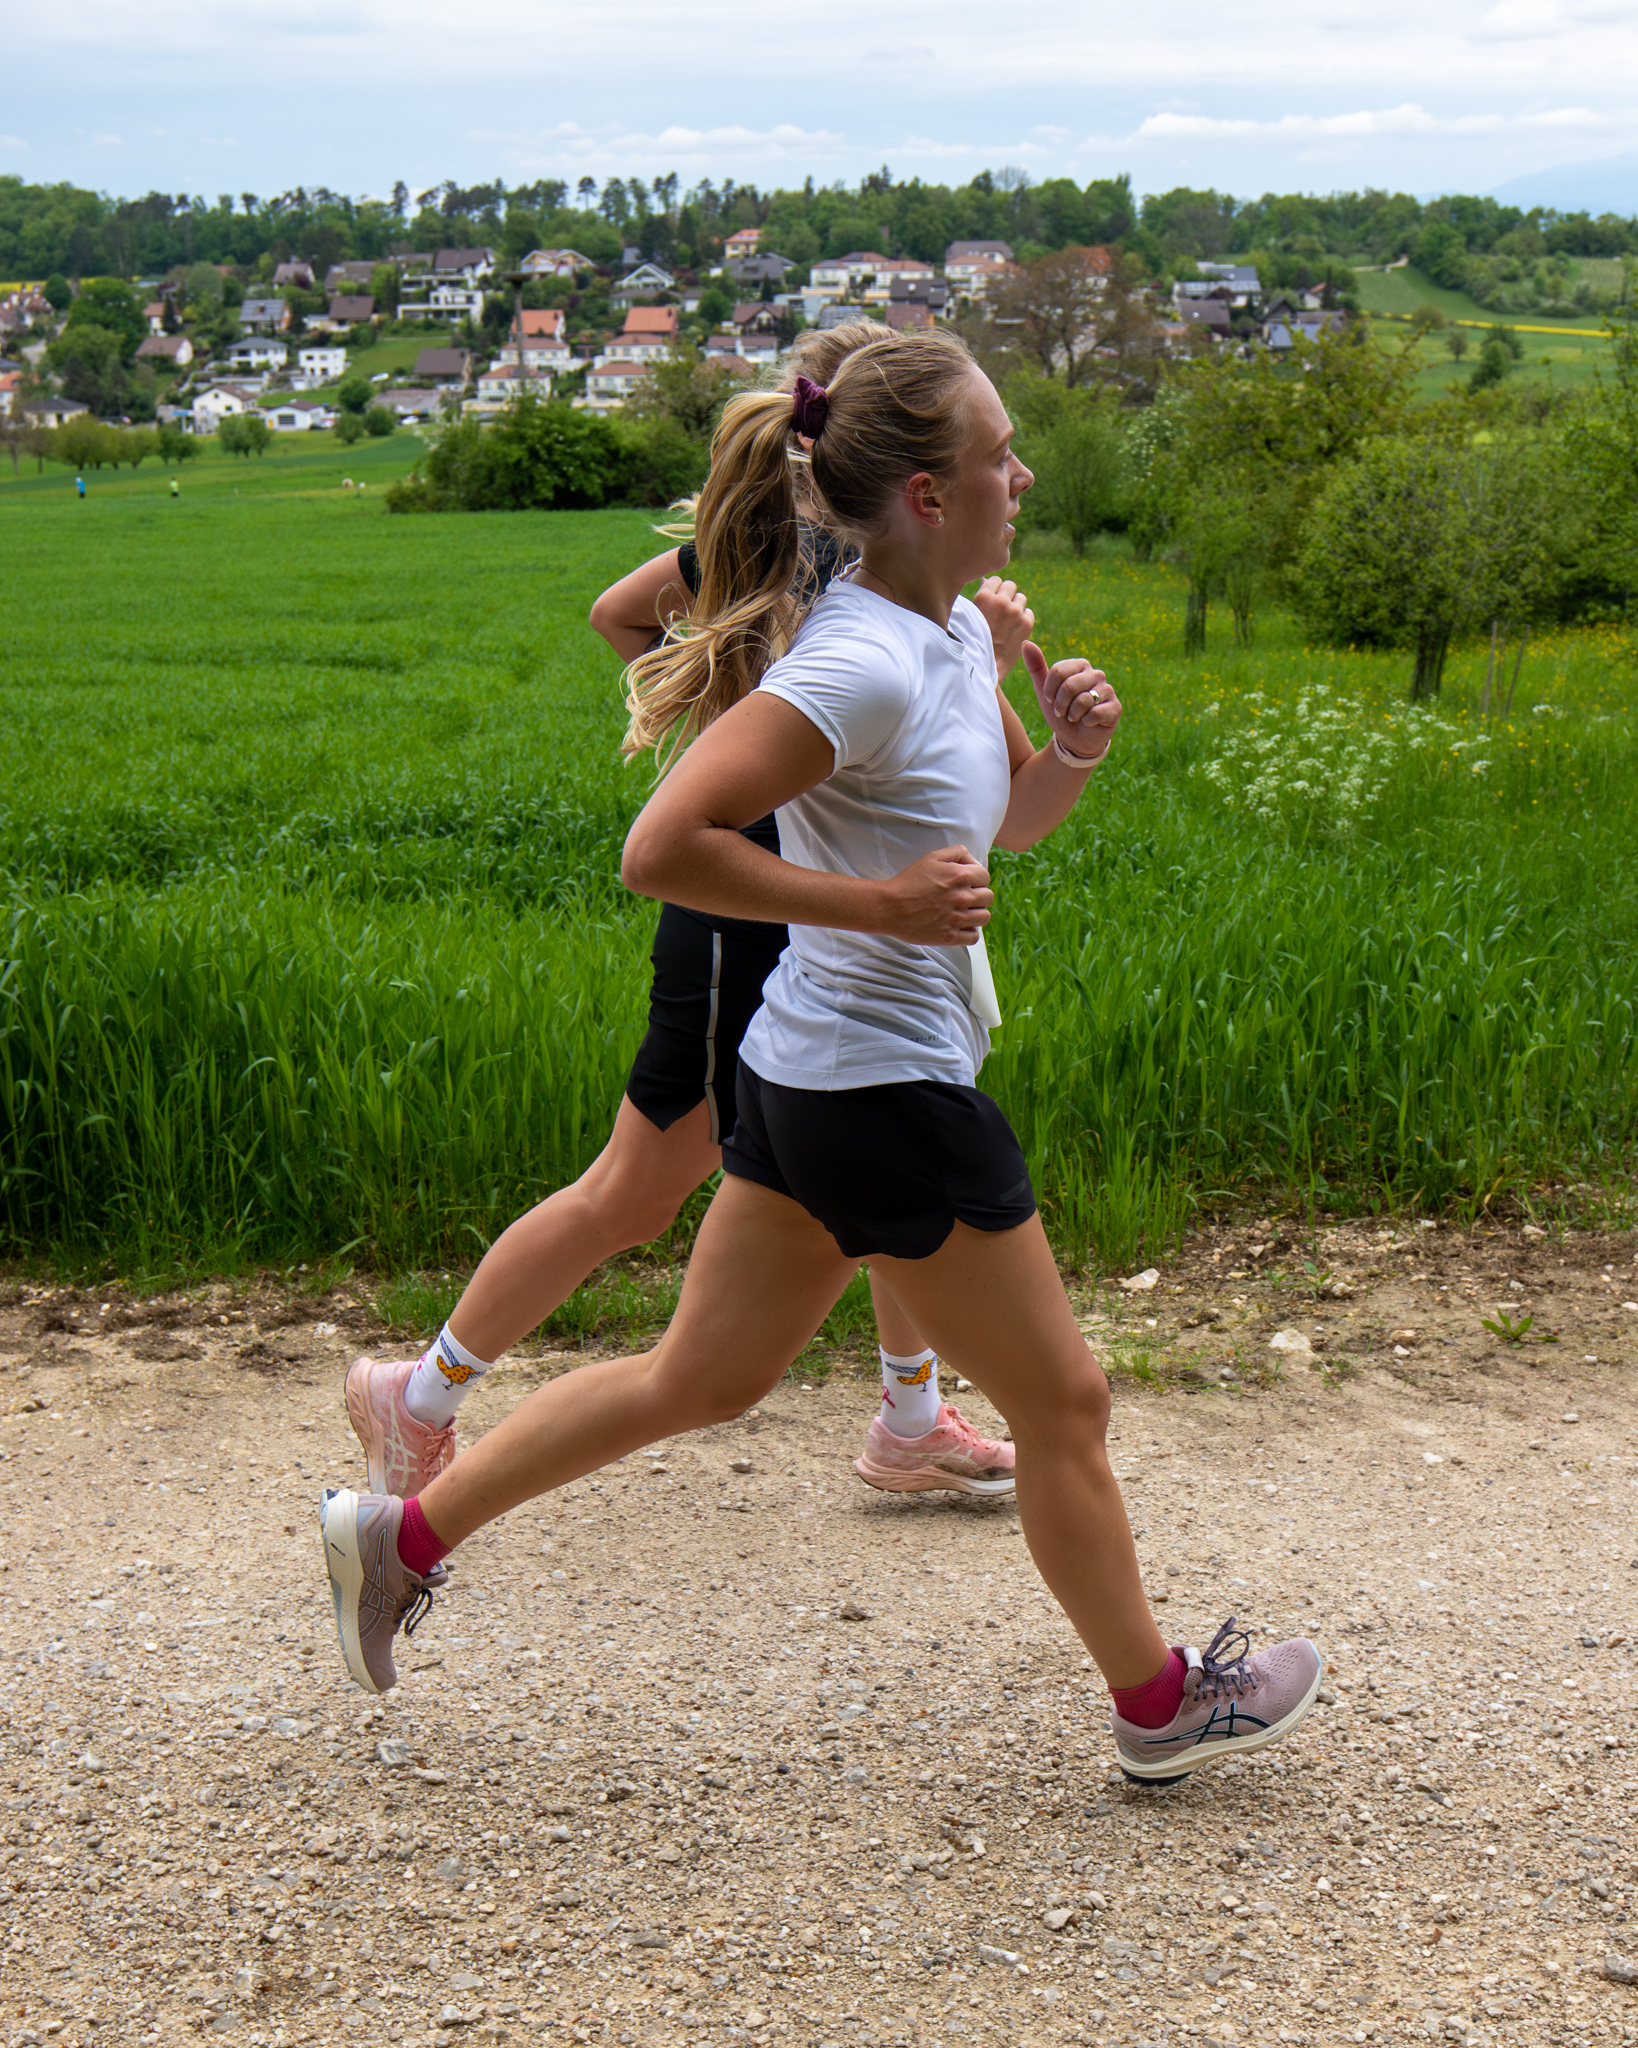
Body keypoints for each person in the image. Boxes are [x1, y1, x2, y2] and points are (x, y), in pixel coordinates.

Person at [322, 328, 1324, 1786]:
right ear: (926, 494)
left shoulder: (945, 636)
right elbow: (660, 847)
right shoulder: (857, 660)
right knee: (1065, 1405)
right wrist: (876, 906)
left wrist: (1067, 753)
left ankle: (401, 1536)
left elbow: (999, 833)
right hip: (881, 1091)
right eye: (998, 456)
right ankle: (1160, 1700)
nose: (1021, 477)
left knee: (694, 1377)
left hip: (811, 1082)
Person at [343, 326, 1029, 1507]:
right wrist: (725, 704)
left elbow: (965, 762)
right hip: (741, 922)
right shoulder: (793, 544)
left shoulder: (910, 570)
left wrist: (991, 674)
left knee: (896, 1156)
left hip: (840, 926)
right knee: (639, 1186)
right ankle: (417, 1394)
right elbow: (621, 617)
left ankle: (911, 1414)